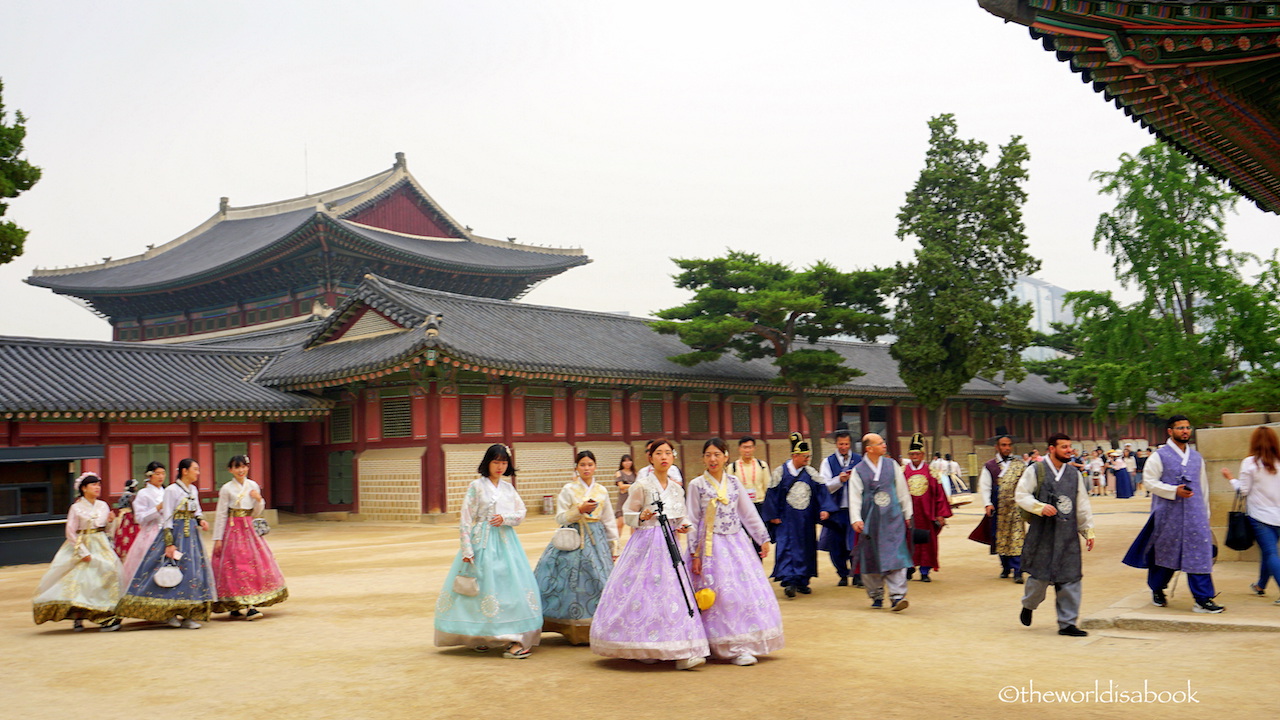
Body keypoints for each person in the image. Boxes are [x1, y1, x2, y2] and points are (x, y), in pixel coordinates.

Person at [591, 438, 709, 670]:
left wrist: (685, 526)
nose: (664, 457)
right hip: (646, 544)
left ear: (673, 457)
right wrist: (641, 517)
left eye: (668, 453)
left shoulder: (677, 488)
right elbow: (628, 512)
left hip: (670, 545)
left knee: (673, 594)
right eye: (659, 453)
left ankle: (680, 650)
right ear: (650, 458)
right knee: (643, 593)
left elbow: (680, 515)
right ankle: (643, 645)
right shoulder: (642, 485)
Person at [435, 444, 542, 658]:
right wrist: (467, 547)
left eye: (504, 462)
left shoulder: (509, 489)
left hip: (506, 542)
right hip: (481, 541)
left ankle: (513, 638)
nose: (500, 466)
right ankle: (481, 635)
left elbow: (521, 512)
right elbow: (466, 518)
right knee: (480, 588)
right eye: (496, 462)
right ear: (488, 463)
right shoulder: (476, 486)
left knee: (508, 587)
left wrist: (506, 519)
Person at [686, 438, 783, 665]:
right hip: (708, 547)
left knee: (739, 594)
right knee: (714, 595)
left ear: (726, 457)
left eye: (717, 455)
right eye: (708, 455)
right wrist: (694, 553)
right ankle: (708, 643)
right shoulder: (696, 485)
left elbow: (747, 512)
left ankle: (741, 645)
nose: (712, 459)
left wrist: (762, 537)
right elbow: (691, 518)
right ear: (703, 458)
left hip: (735, 543)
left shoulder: (733, 482)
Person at [1122, 415, 1225, 614]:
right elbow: (1150, 482)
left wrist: (1205, 513)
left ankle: (1202, 599)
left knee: (1199, 555)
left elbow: (1203, 486)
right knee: (1166, 554)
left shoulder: (1196, 457)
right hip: (1168, 514)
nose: (1185, 431)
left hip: (1195, 514)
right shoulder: (1159, 456)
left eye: (1187, 428)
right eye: (1180, 428)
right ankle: (1157, 588)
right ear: (1170, 431)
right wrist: (1172, 490)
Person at [117, 459, 216, 628]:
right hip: (176, 534)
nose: (198, 473)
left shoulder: (192, 489)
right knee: (169, 571)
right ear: (184, 471)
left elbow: (197, 509)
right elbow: (167, 517)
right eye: (195, 469)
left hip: (191, 536)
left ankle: (188, 614)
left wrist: (200, 520)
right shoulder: (171, 490)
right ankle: (168, 611)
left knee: (192, 573)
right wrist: (170, 543)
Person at [534, 450, 617, 645]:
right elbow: (560, 518)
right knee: (567, 581)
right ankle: (564, 624)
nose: (586, 468)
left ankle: (597, 625)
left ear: (595, 466)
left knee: (597, 579)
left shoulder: (602, 491)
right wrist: (578, 510)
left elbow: (609, 520)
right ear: (576, 468)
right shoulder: (568, 489)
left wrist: (613, 546)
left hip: (596, 540)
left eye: (589, 464)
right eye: (582, 465)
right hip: (572, 537)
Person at [1017, 433, 1095, 637]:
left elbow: (1082, 504)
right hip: (1044, 533)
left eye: (1070, 446)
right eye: (1064, 447)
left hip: (1068, 534)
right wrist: (1039, 507)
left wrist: (1087, 530)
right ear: (1051, 449)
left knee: (1070, 577)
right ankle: (1029, 604)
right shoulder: (1036, 470)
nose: (1069, 450)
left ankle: (1067, 623)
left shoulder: (1073, 474)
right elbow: (1021, 494)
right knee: (1039, 578)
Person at [32, 473, 124, 632]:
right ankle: (79, 615)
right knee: (81, 581)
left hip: (101, 543)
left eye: (98, 485)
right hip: (82, 544)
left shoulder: (103, 505)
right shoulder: (76, 507)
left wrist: (110, 522)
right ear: (83, 488)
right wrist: (82, 552)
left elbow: (107, 530)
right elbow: (70, 532)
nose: (97, 488)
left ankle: (105, 613)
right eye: (93, 485)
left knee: (109, 572)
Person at [211, 455, 288, 620]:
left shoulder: (252, 485)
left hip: (248, 528)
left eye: (243, 466)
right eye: (237, 467)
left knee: (251, 563)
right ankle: (240, 603)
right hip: (232, 529)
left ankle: (248, 603)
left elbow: (256, 512)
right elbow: (221, 514)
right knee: (234, 565)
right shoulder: (226, 489)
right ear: (230, 470)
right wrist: (218, 538)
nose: (241, 470)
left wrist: (259, 500)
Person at [760, 432, 835, 599]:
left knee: (806, 548)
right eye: (804, 456)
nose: (807, 459)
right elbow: (772, 494)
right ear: (795, 456)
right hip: (785, 519)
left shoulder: (811, 473)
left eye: (808, 456)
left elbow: (822, 492)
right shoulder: (780, 472)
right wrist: (772, 515)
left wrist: (824, 508)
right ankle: (790, 580)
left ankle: (802, 581)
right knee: (787, 548)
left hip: (805, 520)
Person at [850, 433, 913, 611]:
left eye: (884, 441)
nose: (884, 445)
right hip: (870, 520)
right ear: (869, 448)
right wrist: (856, 518)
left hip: (893, 517)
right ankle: (876, 594)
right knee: (871, 557)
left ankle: (897, 596)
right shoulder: (859, 470)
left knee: (896, 554)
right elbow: (854, 497)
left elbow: (902, 491)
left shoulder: (891, 465)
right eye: (880, 443)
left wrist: (908, 514)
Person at [1223, 426, 1280, 604]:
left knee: (1270, 553)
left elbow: (1244, 490)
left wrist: (1230, 478)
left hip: (1260, 516)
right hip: (1278, 515)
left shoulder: (1250, 463)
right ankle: (1260, 585)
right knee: (1268, 552)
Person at [973, 434, 1027, 583]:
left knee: (1017, 538)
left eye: (1009, 445)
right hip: (998, 507)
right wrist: (987, 503)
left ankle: (1018, 570)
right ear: (997, 447)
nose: (1007, 448)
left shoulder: (1020, 465)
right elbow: (985, 486)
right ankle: (1005, 566)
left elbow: (1026, 486)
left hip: (1016, 507)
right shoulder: (990, 466)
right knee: (1001, 538)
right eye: (1003, 445)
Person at [903, 433, 951, 582]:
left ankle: (925, 571)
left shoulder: (931, 473)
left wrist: (940, 514)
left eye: (917, 453)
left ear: (923, 454)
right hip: (908, 515)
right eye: (912, 454)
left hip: (926, 514)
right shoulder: (902, 472)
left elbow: (940, 495)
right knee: (906, 542)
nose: (915, 456)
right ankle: (909, 568)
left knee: (926, 543)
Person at [817, 429, 861, 586]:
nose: (844, 447)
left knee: (855, 543)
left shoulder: (859, 460)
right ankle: (842, 573)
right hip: (836, 510)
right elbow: (824, 486)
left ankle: (857, 574)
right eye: (841, 444)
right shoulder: (828, 462)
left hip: (854, 510)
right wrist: (838, 480)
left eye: (846, 444)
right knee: (836, 544)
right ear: (836, 444)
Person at [120, 462, 167, 585]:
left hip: (168, 530)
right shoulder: (143, 493)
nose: (161, 477)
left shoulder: (167, 491)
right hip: (151, 532)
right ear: (149, 476)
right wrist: (157, 508)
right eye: (157, 474)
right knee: (149, 564)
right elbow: (140, 518)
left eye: (163, 473)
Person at [728, 436, 771, 545]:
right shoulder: (732, 467)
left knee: (759, 540)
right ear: (739, 449)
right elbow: (729, 490)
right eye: (744, 447)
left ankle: (758, 562)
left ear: (754, 448)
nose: (747, 450)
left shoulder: (762, 466)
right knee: (742, 540)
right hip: (740, 507)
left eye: (750, 447)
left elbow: (768, 488)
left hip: (758, 505)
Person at [111, 478, 141, 558]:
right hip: (129, 516)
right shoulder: (131, 496)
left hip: (122, 516)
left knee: (122, 534)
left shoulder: (123, 495)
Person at [613, 454, 637, 539]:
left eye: (629, 460)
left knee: (633, 523)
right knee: (620, 522)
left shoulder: (635, 473)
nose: (627, 463)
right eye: (625, 461)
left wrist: (627, 486)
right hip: (623, 499)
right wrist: (632, 485)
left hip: (633, 499)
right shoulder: (619, 473)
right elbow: (621, 486)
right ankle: (616, 541)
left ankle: (633, 541)